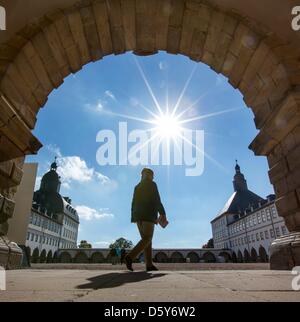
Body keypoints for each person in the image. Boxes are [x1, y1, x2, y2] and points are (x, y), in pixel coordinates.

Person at [125, 168, 167, 272]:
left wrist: (133, 217)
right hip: (148, 215)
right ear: (148, 175)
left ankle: (149, 265)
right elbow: (157, 199)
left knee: (147, 240)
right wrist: (162, 213)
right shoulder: (152, 184)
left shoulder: (137, 187)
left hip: (138, 216)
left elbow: (133, 202)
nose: (153, 177)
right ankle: (130, 256)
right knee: (147, 238)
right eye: (152, 175)